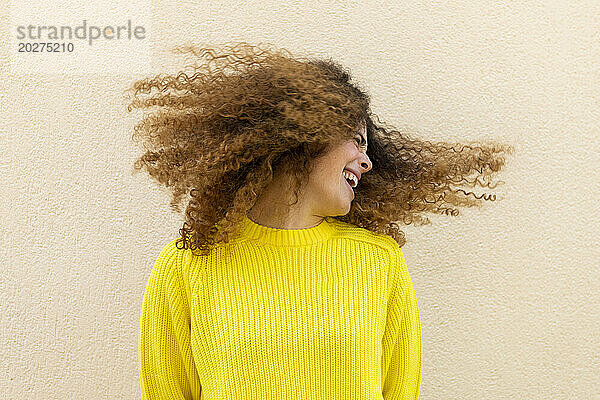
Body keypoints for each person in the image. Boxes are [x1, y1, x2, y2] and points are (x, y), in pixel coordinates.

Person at [126, 42, 513, 399]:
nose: (367, 160)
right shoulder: (189, 265)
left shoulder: (379, 261)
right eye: (356, 140)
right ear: (305, 134)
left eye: (367, 146)